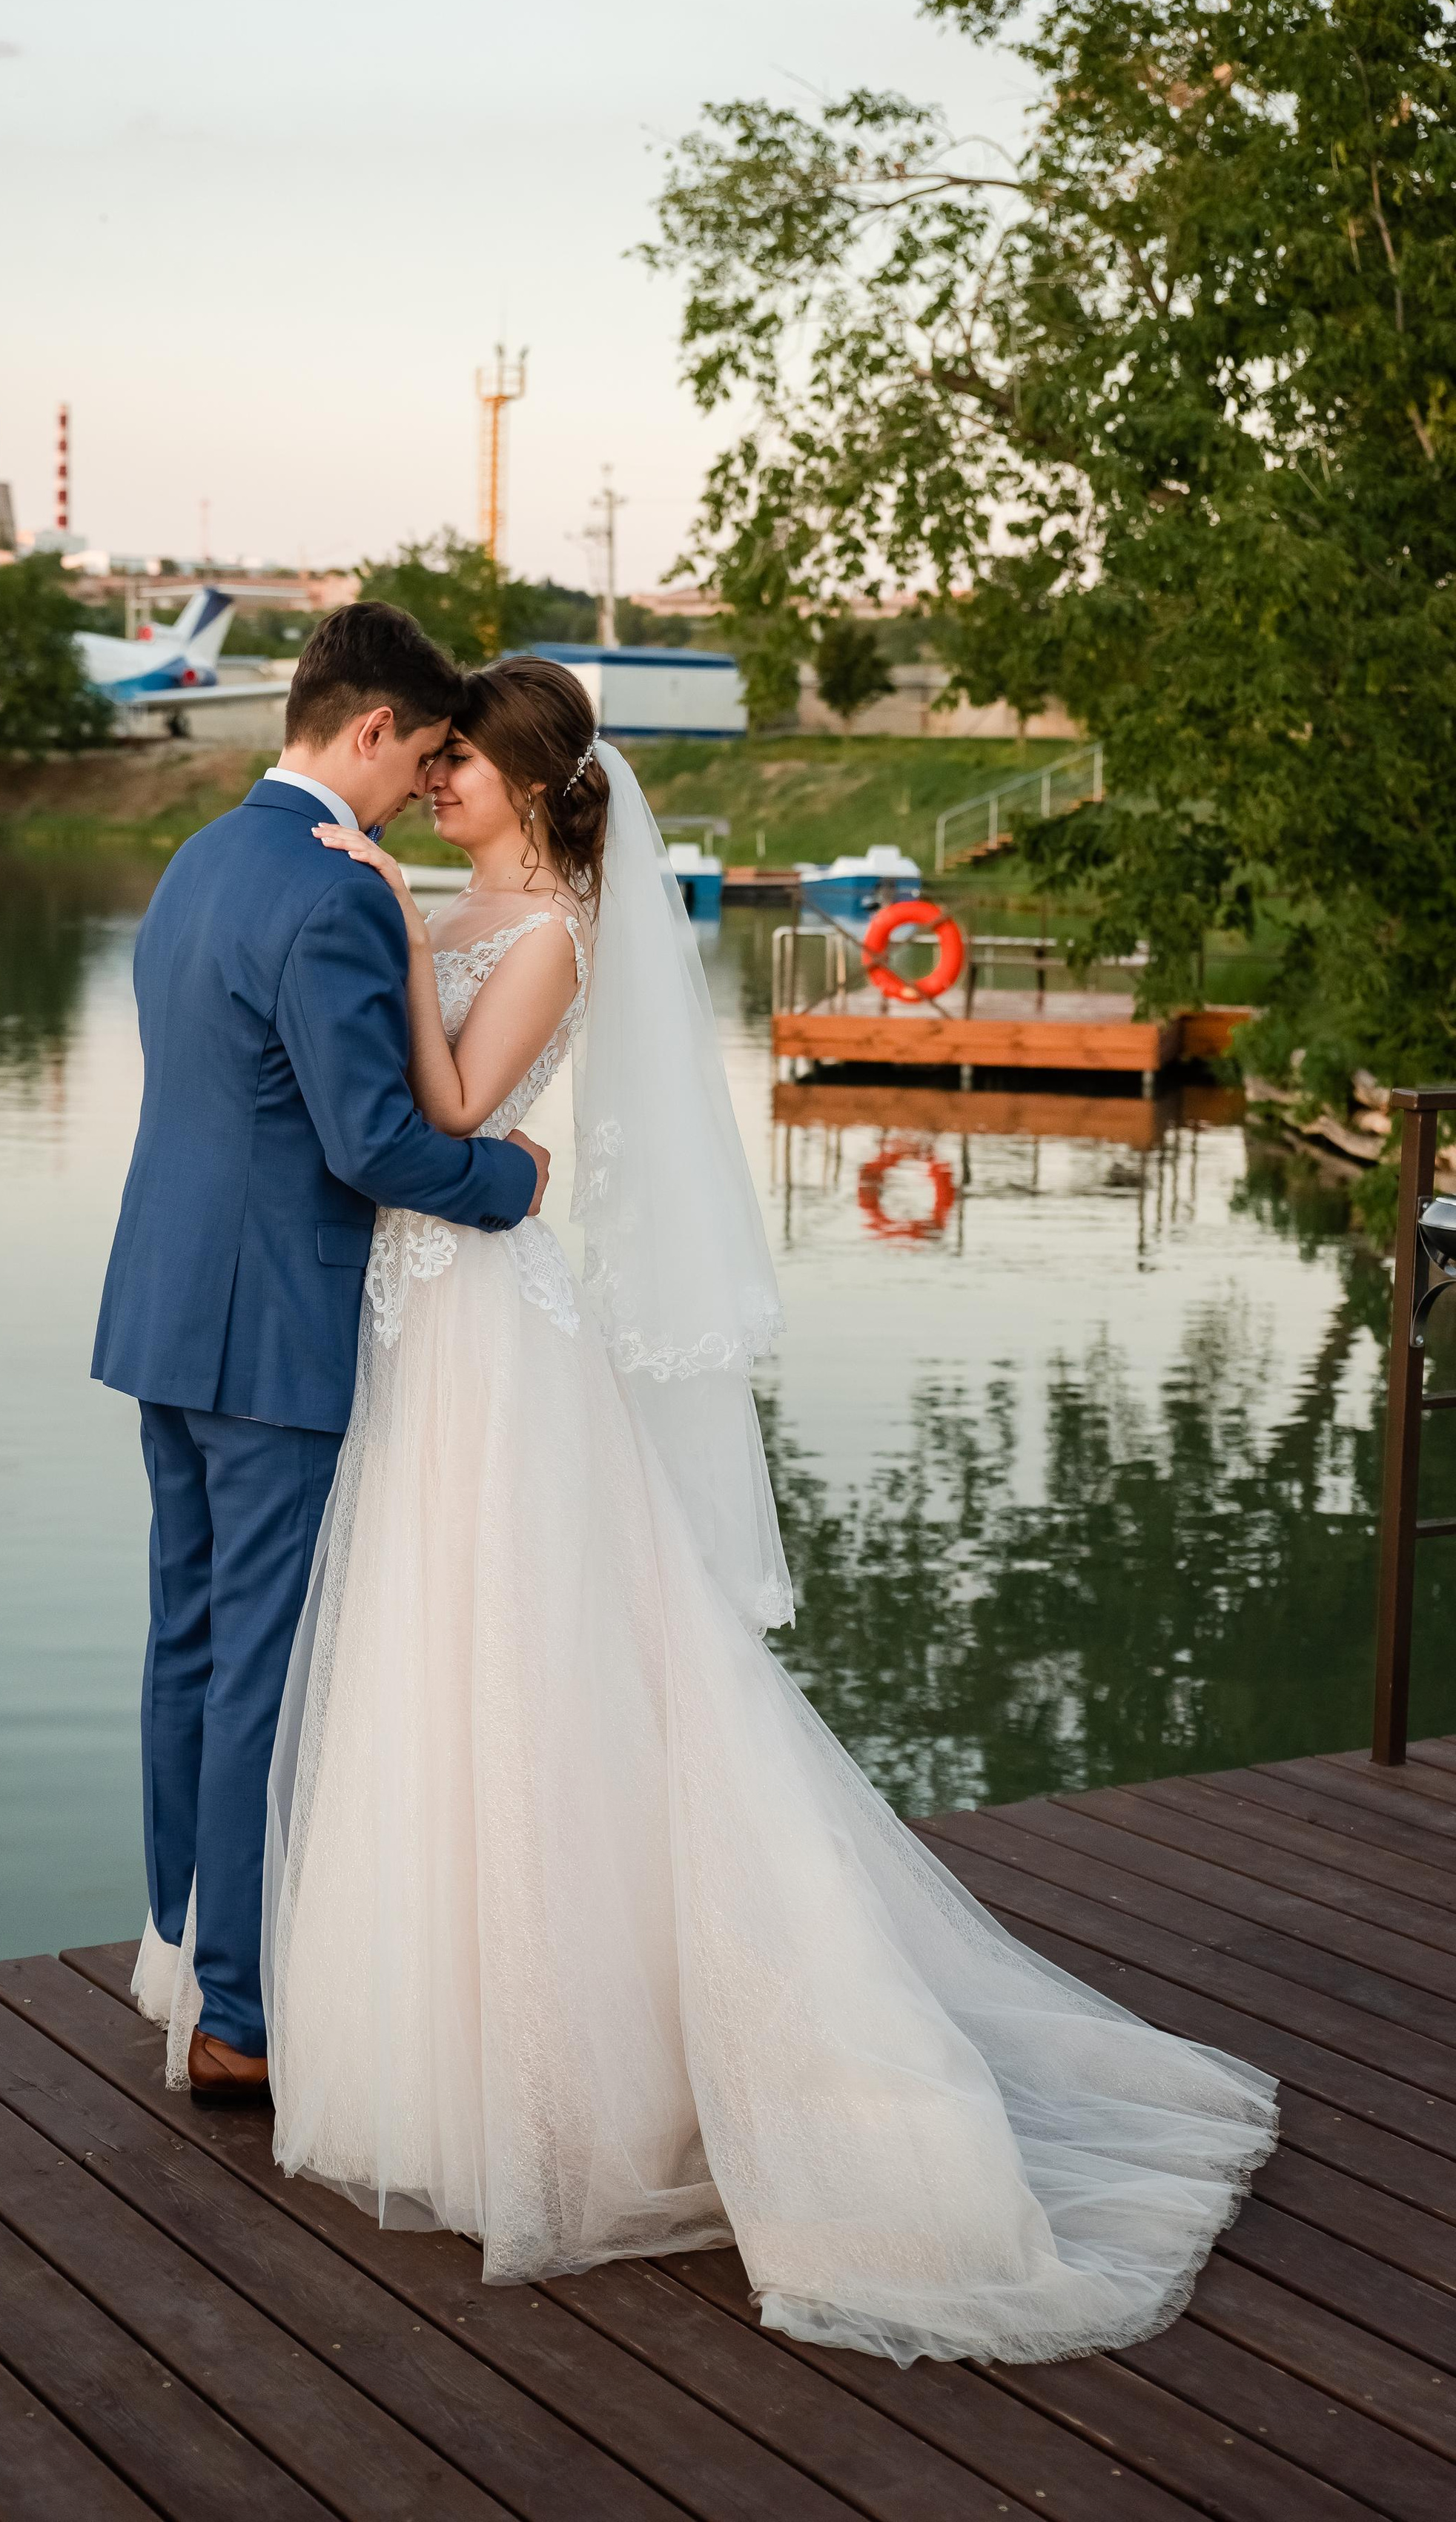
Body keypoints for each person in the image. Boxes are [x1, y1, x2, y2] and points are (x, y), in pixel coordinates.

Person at [243, 649, 1277, 2366]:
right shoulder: (439, 895)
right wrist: (382, 900)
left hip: (488, 1330)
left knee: (526, 1671)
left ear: (528, 781)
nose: (434, 784)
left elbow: (442, 1110)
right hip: (409, 1316)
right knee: (425, 1666)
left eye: (461, 769)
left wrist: (380, 913)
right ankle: (423, 2044)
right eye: (428, 766)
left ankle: (608, 2078)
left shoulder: (554, 932)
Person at [95, 603, 549, 2105]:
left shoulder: (200, 859)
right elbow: (370, 1142)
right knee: (259, 1670)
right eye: (418, 749)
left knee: (186, 1638)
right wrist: (511, 1185)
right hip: (272, 1321)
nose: (419, 781)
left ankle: (177, 1943)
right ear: (368, 730)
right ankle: (235, 2016)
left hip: (162, 1306)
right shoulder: (330, 894)